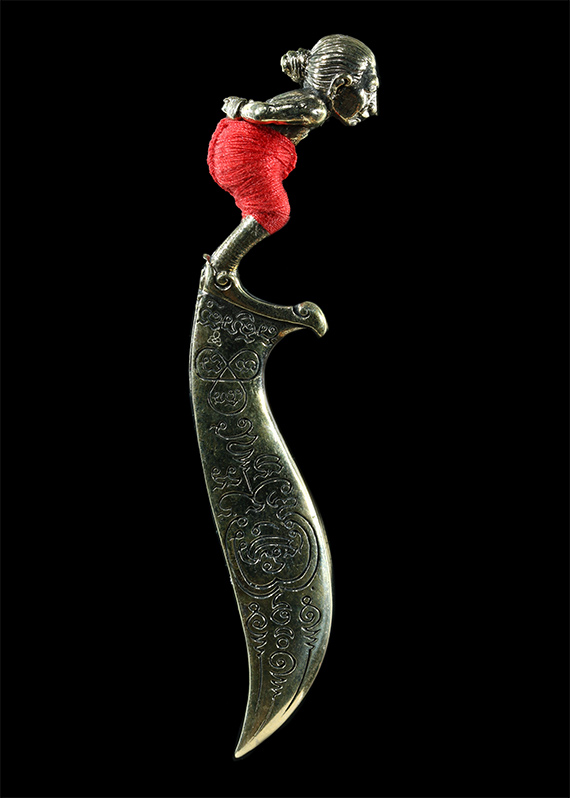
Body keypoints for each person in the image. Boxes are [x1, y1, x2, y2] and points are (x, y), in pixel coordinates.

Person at [206, 34, 379, 277]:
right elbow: (261, 112)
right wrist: (240, 106)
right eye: (370, 91)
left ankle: (219, 272)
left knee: (264, 211)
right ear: (340, 85)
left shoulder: (309, 99)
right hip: (245, 152)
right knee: (273, 212)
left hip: (242, 149)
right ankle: (219, 272)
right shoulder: (315, 108)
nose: (373, 107)